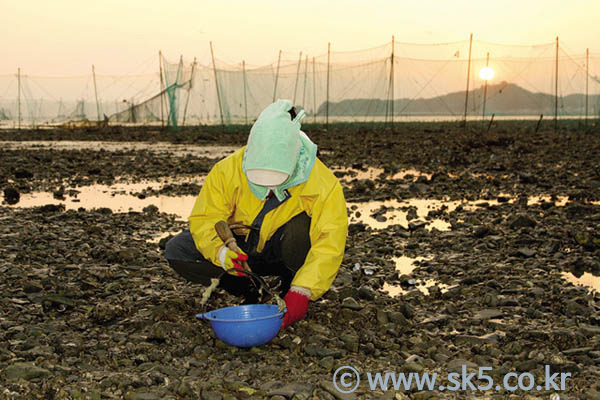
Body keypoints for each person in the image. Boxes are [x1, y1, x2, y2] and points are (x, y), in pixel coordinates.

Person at [164, 99, 348, 329]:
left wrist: (304, 289)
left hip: (281, 252)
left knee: (303, 228)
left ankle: (291, 286)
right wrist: (221, 253)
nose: (267, 188)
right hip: (240, 250)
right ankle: (250, 289)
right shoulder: (227, 170)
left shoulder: (321, 181)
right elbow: (206, 219)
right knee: (178, 249)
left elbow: (330, 240)